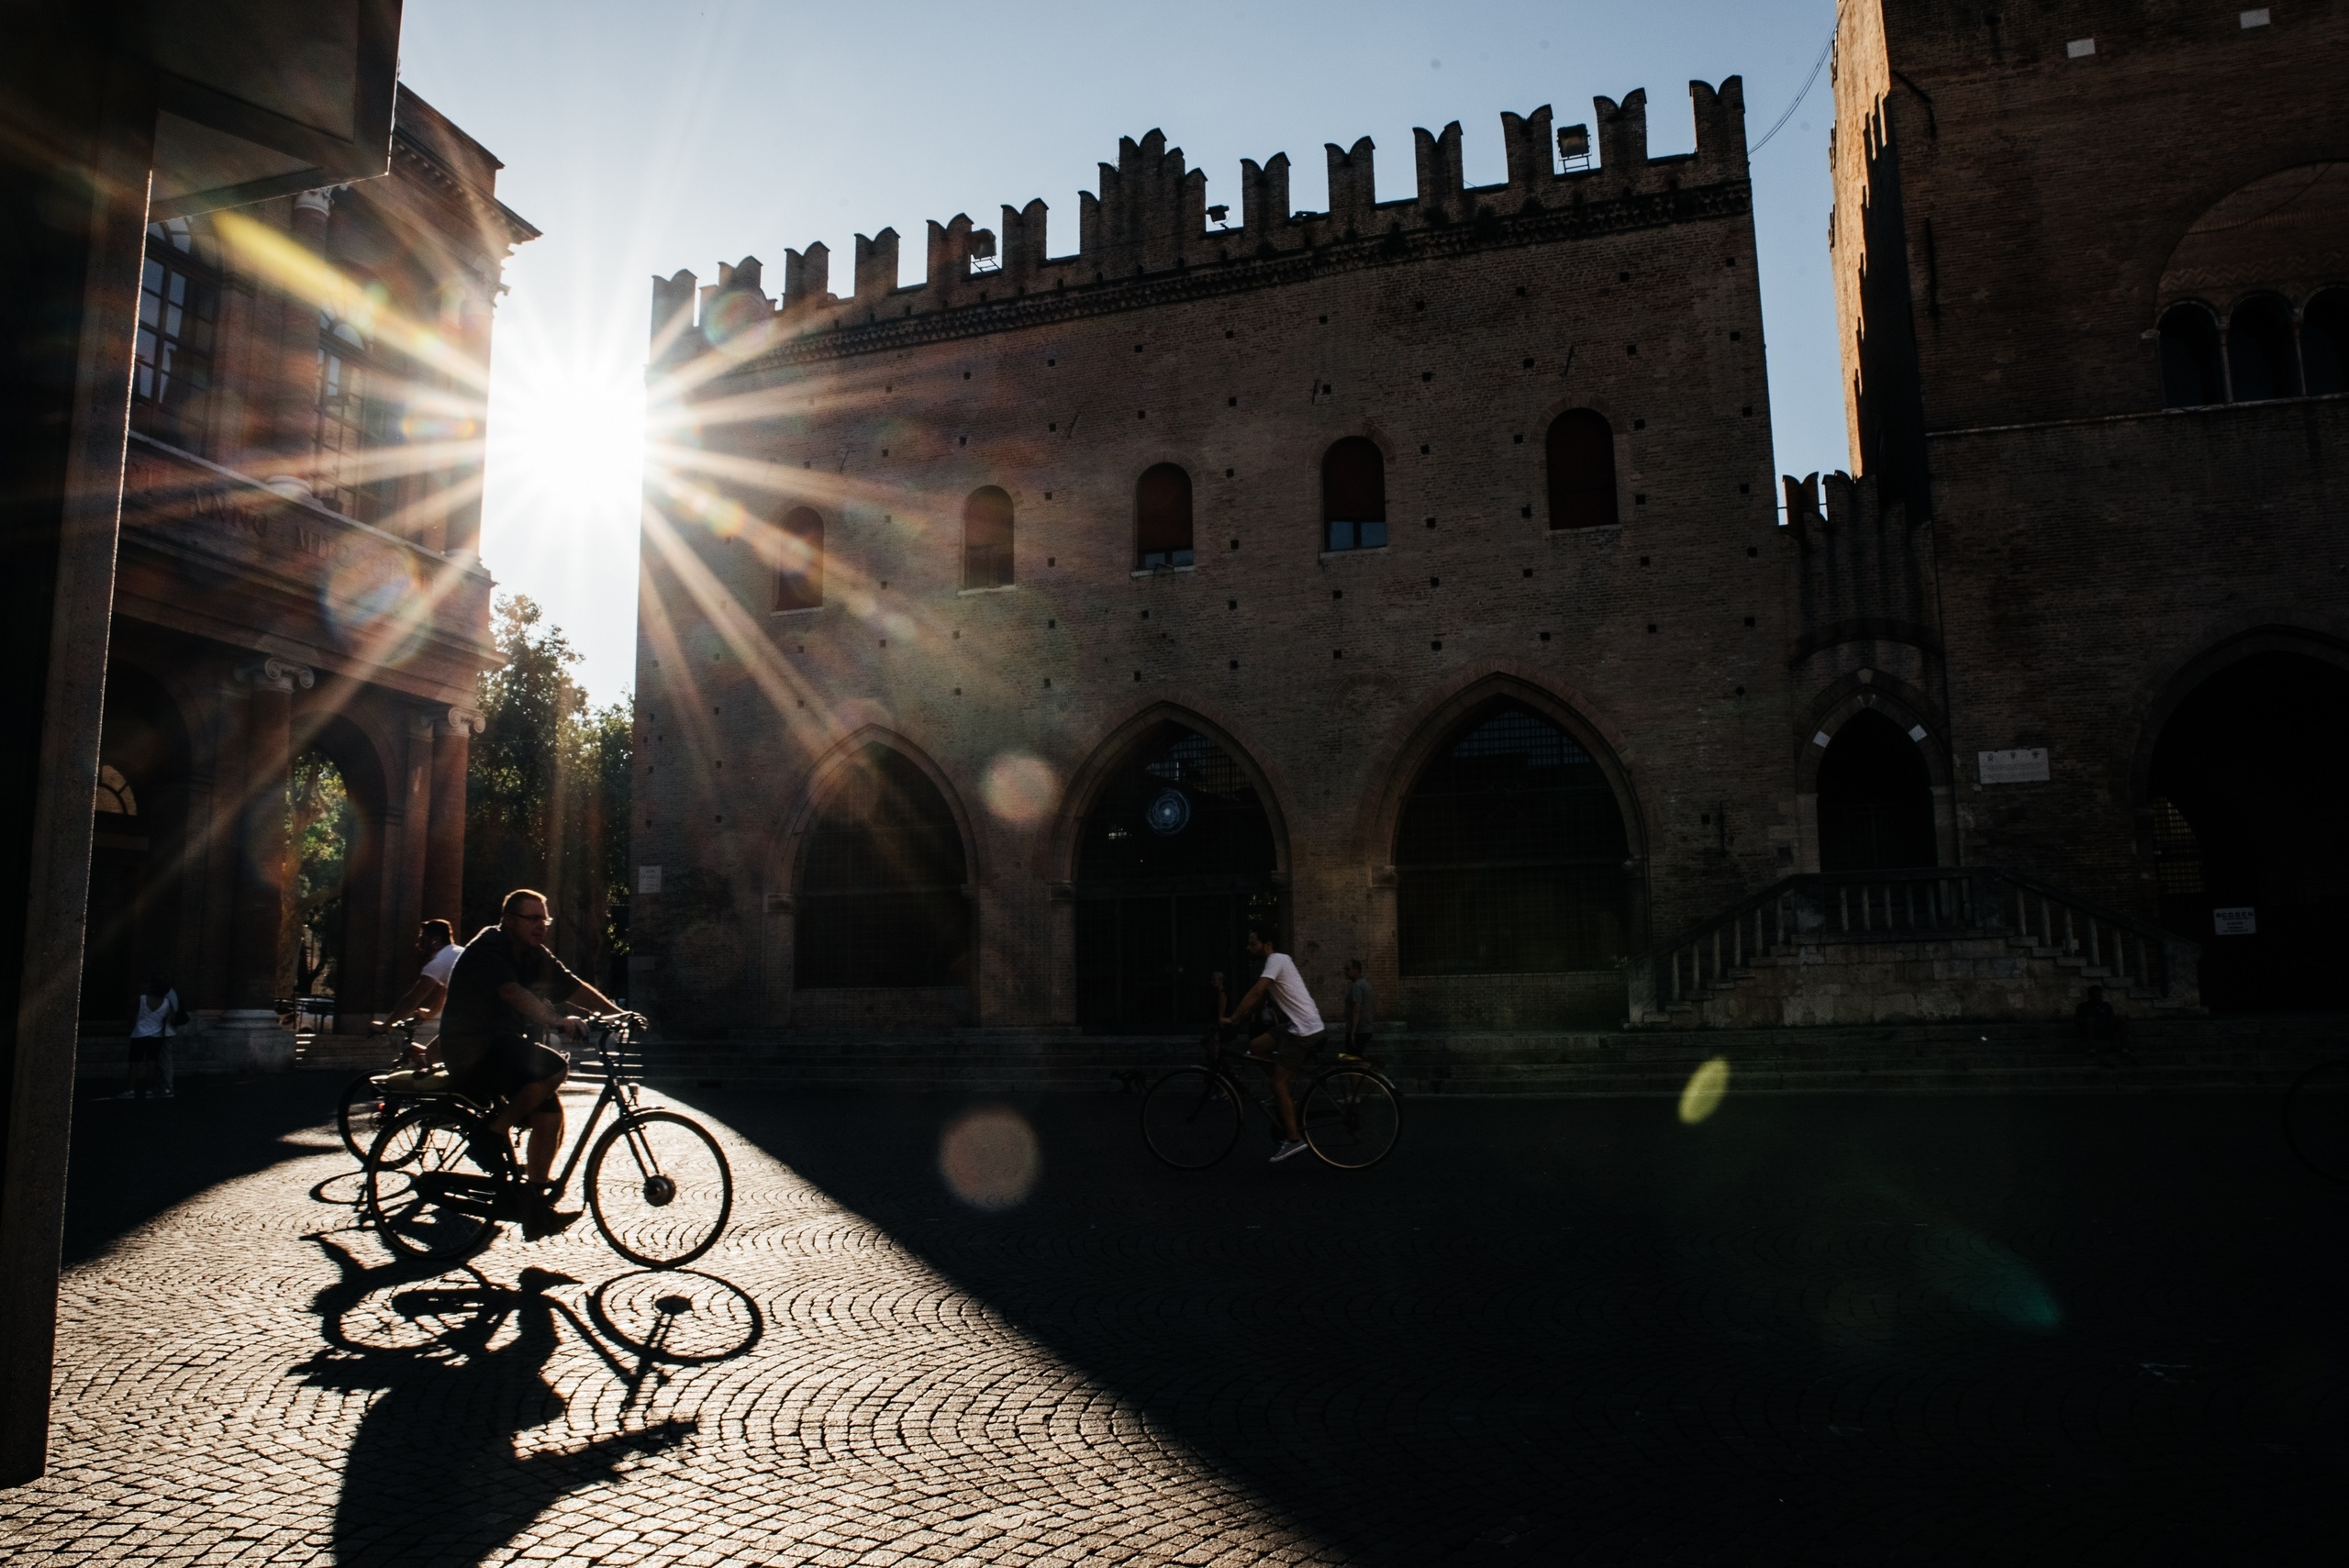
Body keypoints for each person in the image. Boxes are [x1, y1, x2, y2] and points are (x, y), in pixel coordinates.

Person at [440, 889, 621, 1238]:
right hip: (473, 1050)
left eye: (545, 918)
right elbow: (512, 993)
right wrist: (557, 1020)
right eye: (533, 918)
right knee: (554, 1067)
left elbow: (572, 986)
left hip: (504, 1048)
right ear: (509, 920)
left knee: (550, 1116)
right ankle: (490, 1134)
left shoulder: (533, 953)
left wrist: (618, 1014)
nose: (542, 925)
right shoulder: (489, 947)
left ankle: (534, 1206)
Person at [1221, 928, 1327, 1162]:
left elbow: (1257, 991)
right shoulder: (1277, 962)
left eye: (1252, 943)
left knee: (1277, 1083)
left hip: (1303, 1030)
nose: (1248, 948)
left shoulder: (1276, 960)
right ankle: (1284, 1094)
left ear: (1267, 944)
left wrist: (1234, 1018)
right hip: (1294, 1026)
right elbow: (1260, 999)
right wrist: (1243, 1019)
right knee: (1256, 1047)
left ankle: (1293, 1139)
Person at [373, 918, 463, 1067]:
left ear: (435, 941)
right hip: (486, 1014)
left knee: (434, 1058)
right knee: (436, 1058)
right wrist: (430, 1014)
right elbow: (445, 991)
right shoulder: (456, 953)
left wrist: (386, 1026)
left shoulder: (438, 963)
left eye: (423, 939)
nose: (418, 944)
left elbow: (412, 999)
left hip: (474, 1019)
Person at [120, 977, 179, 1100]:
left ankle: (130, 1089)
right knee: (152, 1063)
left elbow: (130, 1005)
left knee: (134, 1063)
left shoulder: (142, 999)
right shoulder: (167, 1002)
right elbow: (172, 1019)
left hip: (139, 1034)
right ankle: (149, 1090)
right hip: (156, 1036)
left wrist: (141, 992)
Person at [2075, 984, 2125, 1062]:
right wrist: (2088, 1022)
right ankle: (2091, 1048)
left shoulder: (2106, 1005)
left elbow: (2111, 1017)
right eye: (2096, 996)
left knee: (2120, 1019)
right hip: (2092, 1031)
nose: (2099, 998)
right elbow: (2077, 1020)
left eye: (2100, 995)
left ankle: (2124, 1047)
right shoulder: (2083, 1006)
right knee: (2090, 1020)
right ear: (2090, 996)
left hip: (2106, 1029)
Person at [1339, 960, 1375, 1062]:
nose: (1345, 971)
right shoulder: (1366, 984)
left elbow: (1357, 1009)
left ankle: (1374, 1073)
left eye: (1348, 969)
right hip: (1366, 1029)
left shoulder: (1357, 986)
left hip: (1359, 1031)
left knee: (1352, 1062)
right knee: (1355, 1061)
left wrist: (1352, 1033)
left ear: (1356, 970)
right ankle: (1373, 1073)